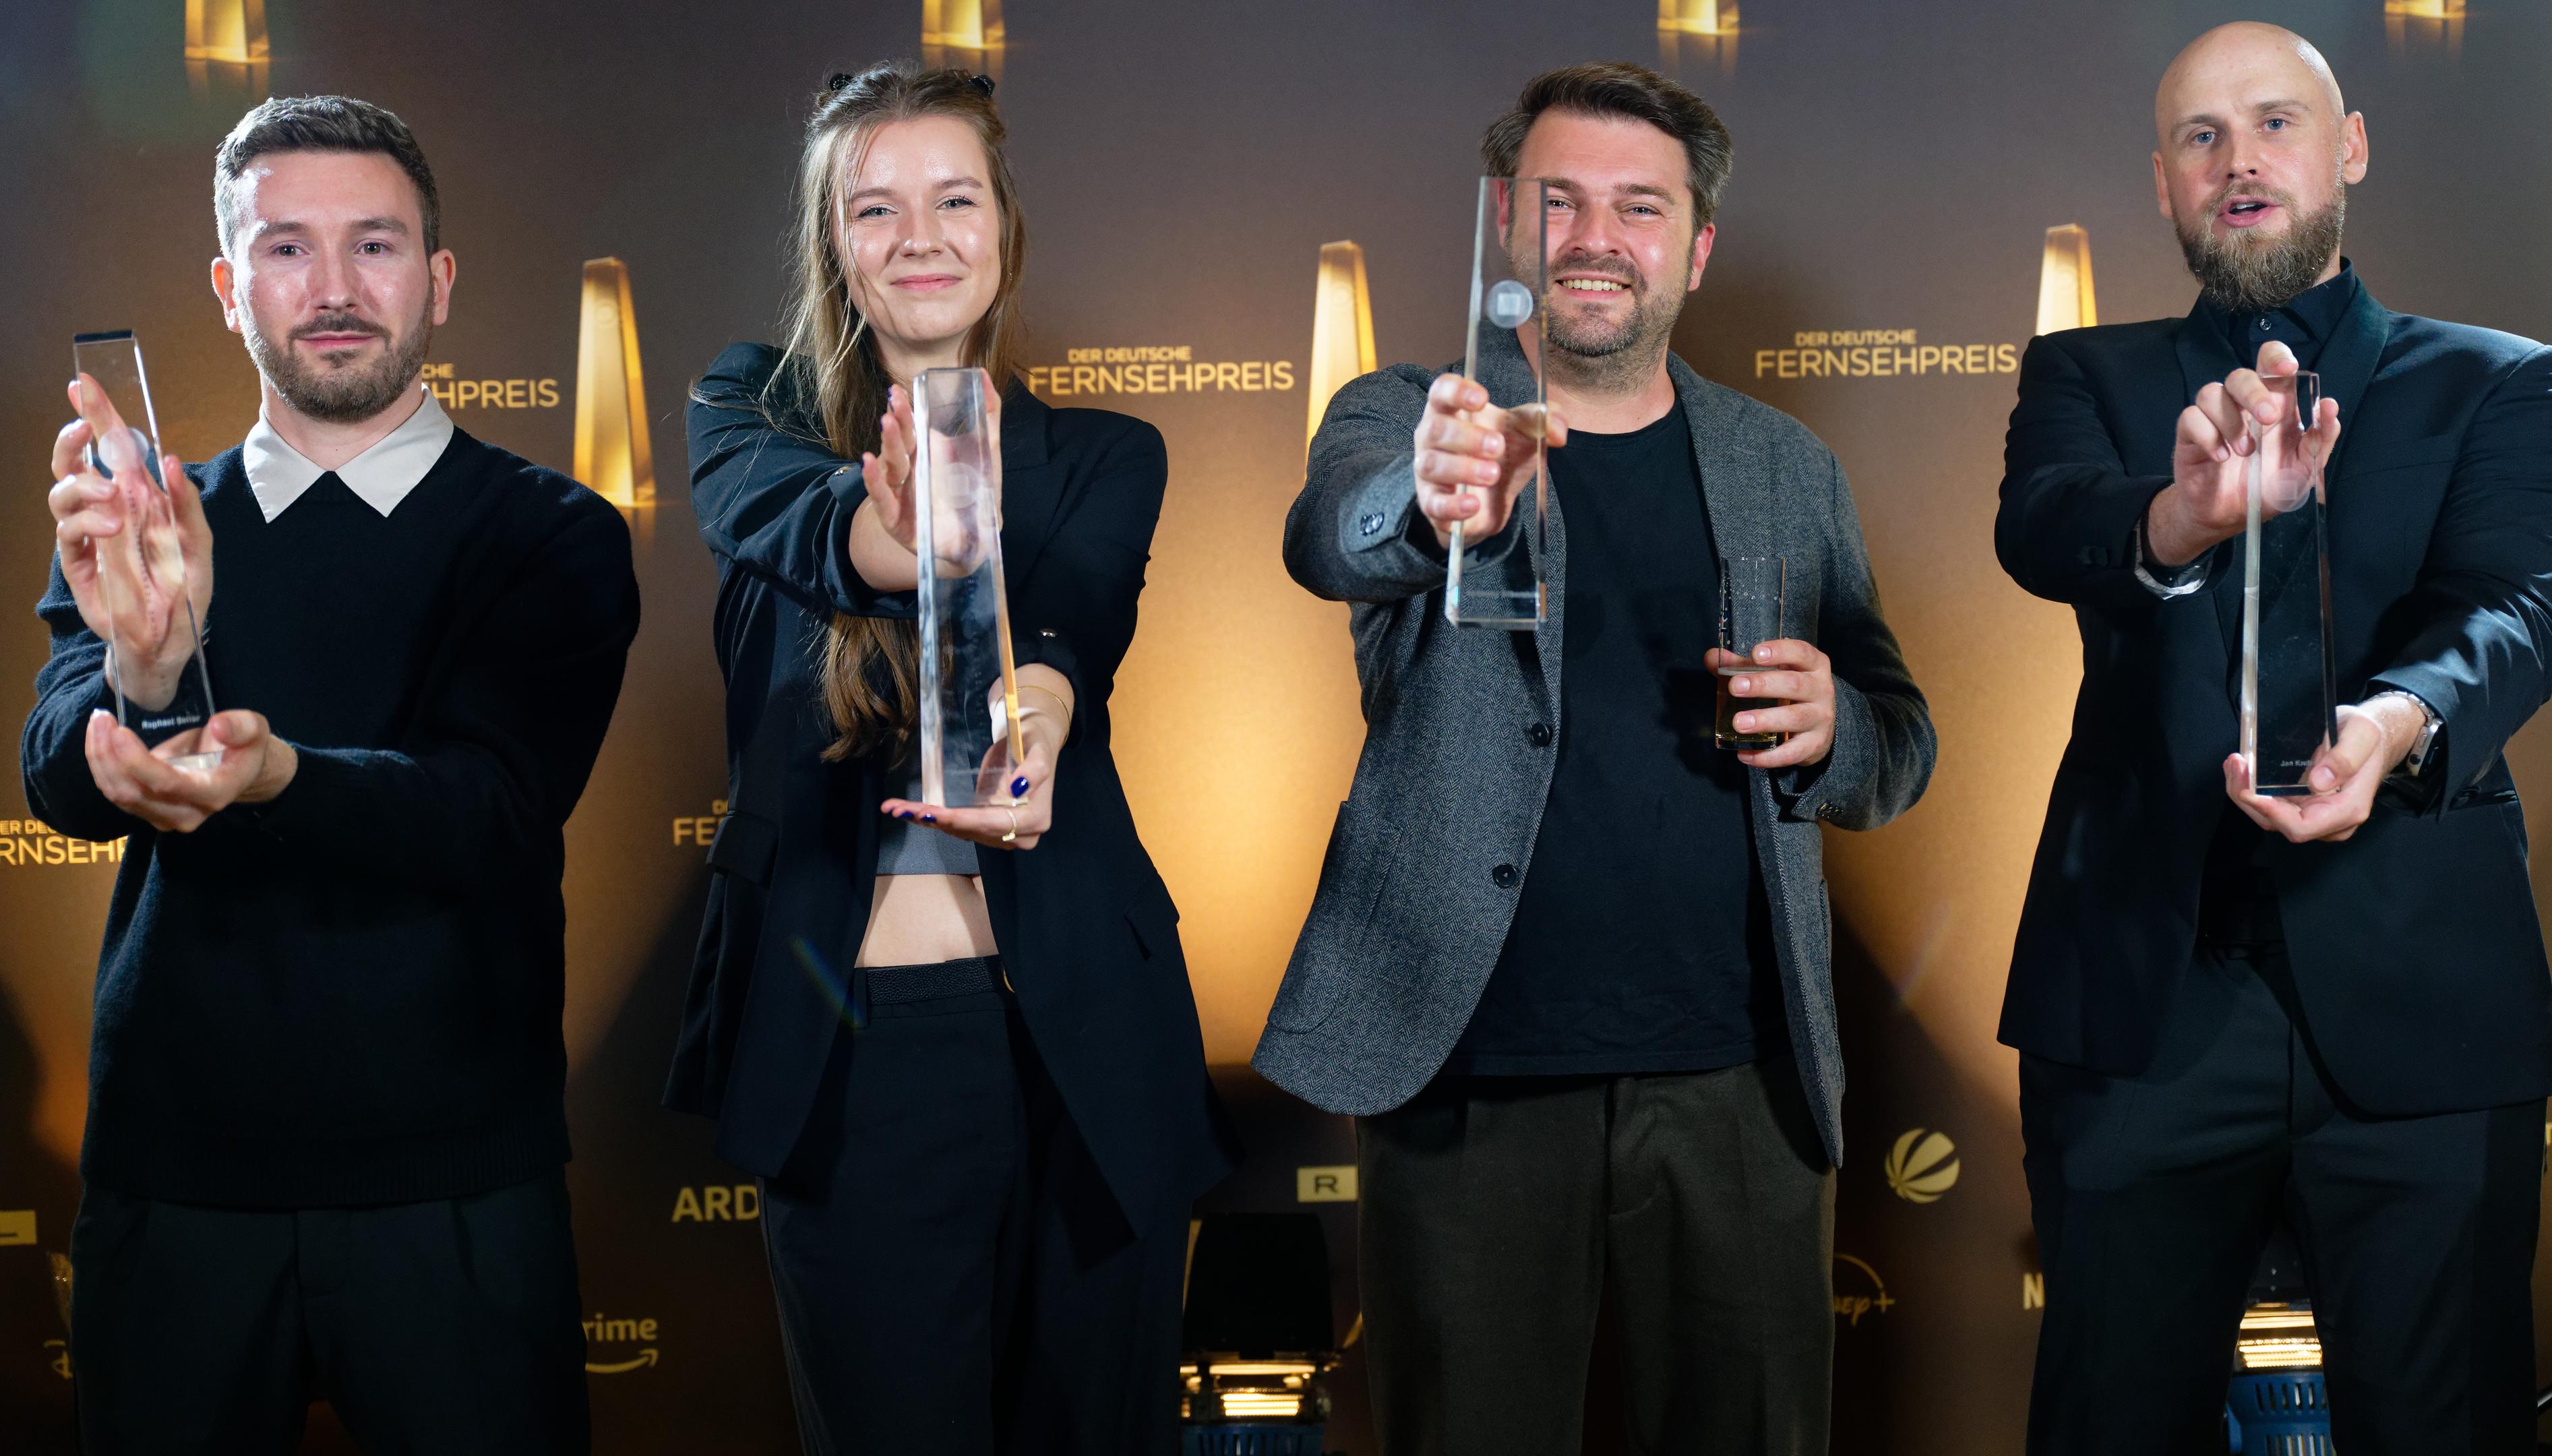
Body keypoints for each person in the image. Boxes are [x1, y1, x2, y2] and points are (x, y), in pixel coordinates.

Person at [1257, 61, 1935, 1456]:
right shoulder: (1409, 416)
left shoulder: (1785, 467)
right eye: (1560, 201)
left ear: (1693, 249)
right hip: (1470, 1080)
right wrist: (1438, 499)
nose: (1593, 237)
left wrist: (1834, 731)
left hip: (1740, 1082)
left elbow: (1898, 739)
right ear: (1507, 221)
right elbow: (1335, 532)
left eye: (1638, 207)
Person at [24, 96, 638, 1453]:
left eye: (376, 244)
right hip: (176, 1180)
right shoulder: (146, 521)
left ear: (440, 279)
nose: (338, 288)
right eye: (288, 249)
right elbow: (57, 781)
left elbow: (492, 812)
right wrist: (142, 671)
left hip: (458, 1182)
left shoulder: (550, 534)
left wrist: (279, 774)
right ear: (228, 287)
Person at [1997, 23, 2552, 1454]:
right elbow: (2046, 531)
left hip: (2426, 1005)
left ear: (2350, 150)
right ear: (2163, 183)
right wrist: (2180, 516)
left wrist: (2391, 727)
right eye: (2200, 137)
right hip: (2144, 1007)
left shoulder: (2495, 378)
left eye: (2273, 124)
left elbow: (2510, 612)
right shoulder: (2084, 372)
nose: (2237, 160)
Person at [662, 63, 1235, 1455]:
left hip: (1091, 1047)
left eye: (953, 198)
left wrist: (1029, 727)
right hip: (857, 1056)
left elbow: (1073, 626)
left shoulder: (1108, 453)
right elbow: (790, 525)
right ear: (835, 245)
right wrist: (894, 540)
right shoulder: (746, 411)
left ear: (1004, 227)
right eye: (877, 208)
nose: (920, 236)